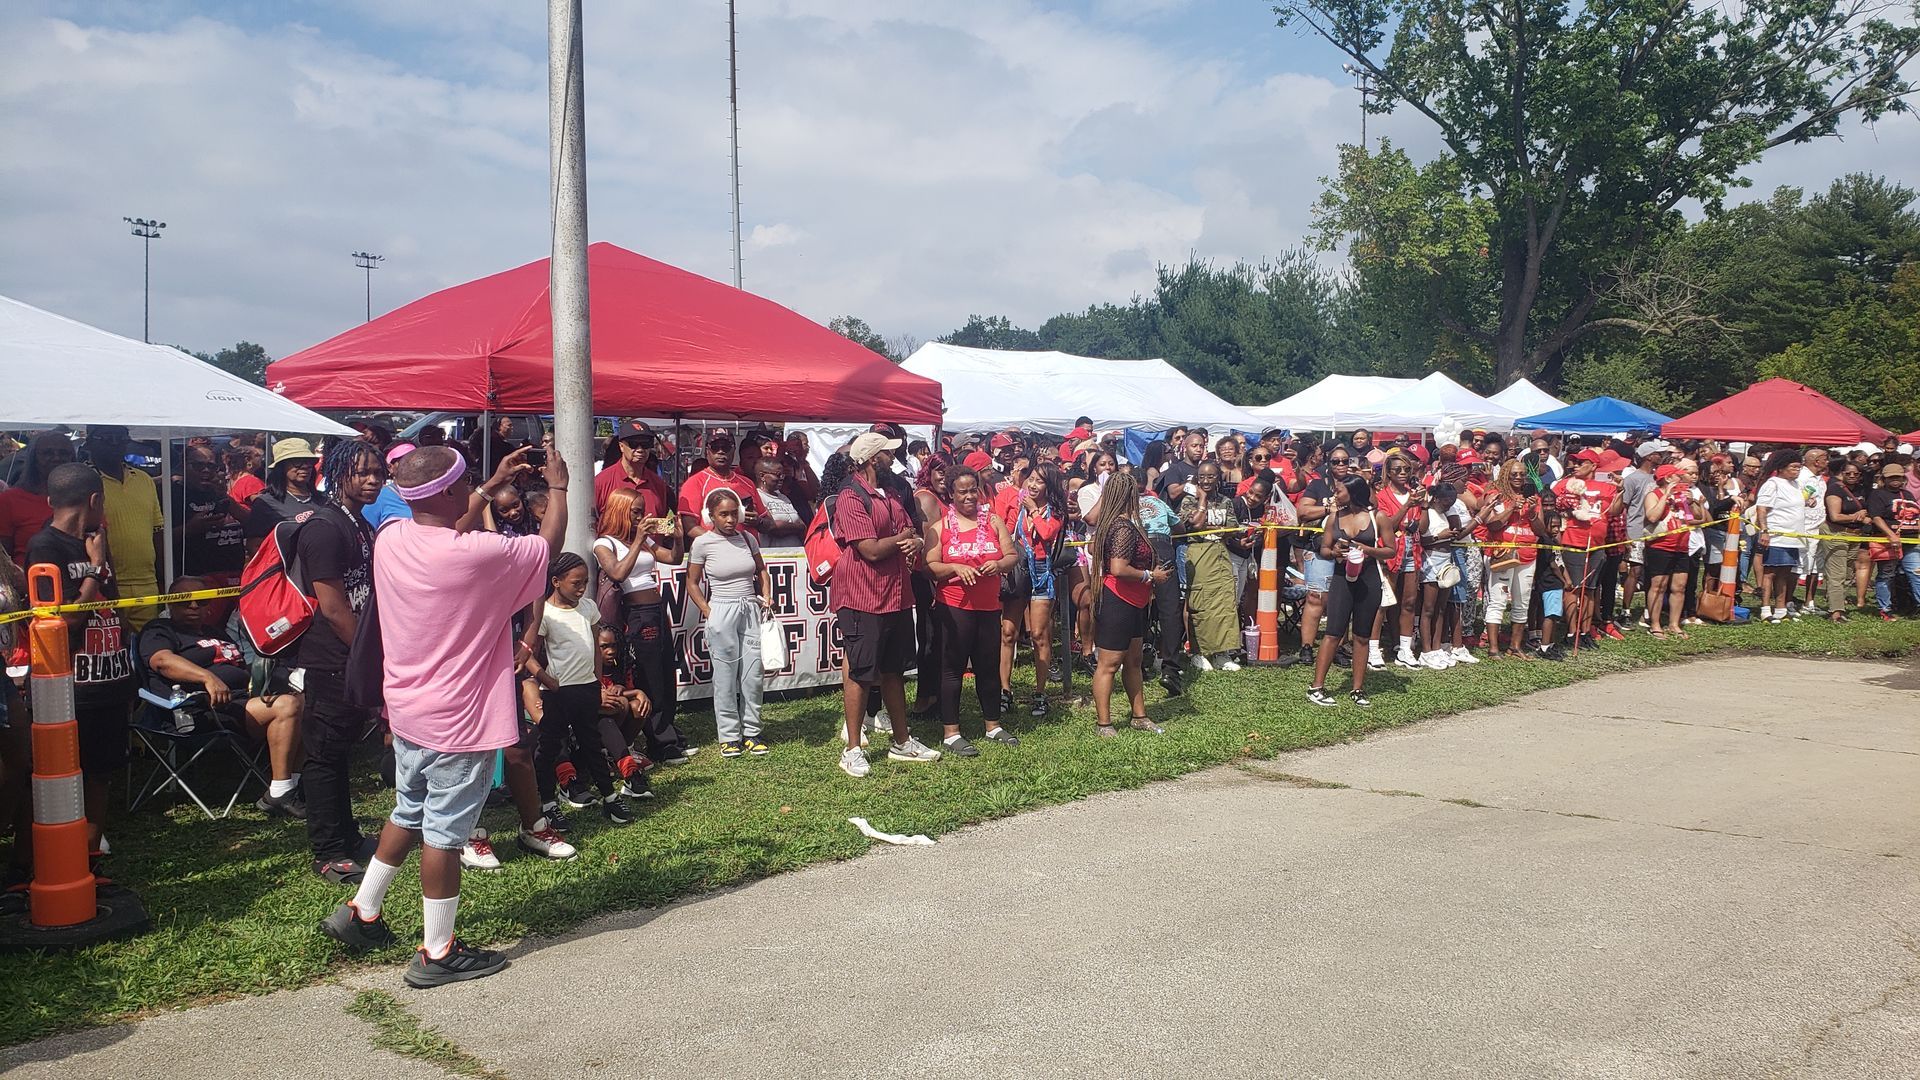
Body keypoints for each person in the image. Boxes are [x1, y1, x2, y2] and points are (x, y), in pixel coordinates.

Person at [320, 443, 567, 988]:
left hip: (408, 708)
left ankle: (362, 911)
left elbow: (439, 517)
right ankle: (437, 951)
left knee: (409, 809)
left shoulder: (391, 538)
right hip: (462, 717)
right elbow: (548, 545)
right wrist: (560, 486)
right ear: (453, 491)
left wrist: (483, 487)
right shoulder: (480, 553)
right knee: (445, 834)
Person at [26, 464, 135, 853]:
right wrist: (93, 567)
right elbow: (66, 617)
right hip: (71, 686)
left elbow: (117, 604)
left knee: (101, 775)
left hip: (110, 677)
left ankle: (91, 859)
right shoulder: (46, 547)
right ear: (95, 500)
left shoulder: (96, 539)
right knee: (69, 773)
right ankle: (68, 855)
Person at [138, 578, 305, 817]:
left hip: (240, 702)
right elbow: (162, 661)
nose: (194, 606)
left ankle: (294, 784)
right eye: (185, 601)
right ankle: (279, 793)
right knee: (287, 706)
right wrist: (207, 677)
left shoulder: (215, 632)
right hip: (198, 709)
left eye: (201, 601)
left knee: (310, 703)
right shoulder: (159, 630)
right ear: (170, 604)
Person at [297, 438, 384, 883]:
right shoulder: (325, 527)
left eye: (378, 472)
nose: (372, 480)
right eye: (362, 472)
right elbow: (332, 607)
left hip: (350, 655)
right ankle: (328, 850)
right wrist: (366, 656)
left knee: (342, 751)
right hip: (331, 657)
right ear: (336, 472)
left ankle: (347, 836)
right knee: (324, 754)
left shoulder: (357, 522)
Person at [832, 432, 942, 776]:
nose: (892, 457)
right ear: (869, 459)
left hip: (895, 594)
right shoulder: (850, 497)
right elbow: (870, 549)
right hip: (862, 595)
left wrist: (915, 540)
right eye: (885, 453)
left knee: (894, 670)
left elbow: (910, 529)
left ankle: (901, 740)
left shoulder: (892, 492)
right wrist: (903, 540)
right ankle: (852, 748)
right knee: (862, 673)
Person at [522, 552, 632, 824]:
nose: (582, 588)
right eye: (576, 583)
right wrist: (546, 680)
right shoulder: (545, 613)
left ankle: (609, 798)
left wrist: (596, 677)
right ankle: (548, 804)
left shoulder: (587, 607)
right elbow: (527, 652)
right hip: (559, 693)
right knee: (548, 749)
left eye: (585, 582)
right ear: (556, 581)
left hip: (587, 689)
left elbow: (594, 644)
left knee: (592, 744)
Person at [922, 465, 1020, 756]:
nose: (969, 497)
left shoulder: (993, 521)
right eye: (961, 492)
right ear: (951, 494)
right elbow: (929, 567)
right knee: (952, 668)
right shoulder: (941, 528)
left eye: (972, 490)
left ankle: (993, 725)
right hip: (954, 606)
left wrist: (999, 565)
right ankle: (951, 732)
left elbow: (1012, 555)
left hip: (988, 605)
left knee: (987, 665)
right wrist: (954, 566)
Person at [591, 488, 693, 767]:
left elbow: (672, 559)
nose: (641, 516)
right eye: (635, 511)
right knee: (649, 674)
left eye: (642, 510)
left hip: (657, 608)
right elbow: (618, 572)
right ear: (620, 511)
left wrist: (678, 539)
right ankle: (661, 742)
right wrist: (637, 540)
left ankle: (669, 734)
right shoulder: (605, 543)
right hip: (636, 612)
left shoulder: (643, 538)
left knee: (665, 669)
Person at [686, 489, 773, 758]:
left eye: (734, 513)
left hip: (749, 608)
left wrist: (766, 595)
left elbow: (761, 570)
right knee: (725, 676)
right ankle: (729, 736)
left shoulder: (747, 538)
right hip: (721, 610)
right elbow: (692, 582)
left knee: (752, 675)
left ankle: (752, 731)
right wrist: (708, 611)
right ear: (710, 515)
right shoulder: (702, 543)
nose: (730, 519)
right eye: (723, 514)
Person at [1086, 472, 1169, 734]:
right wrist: (1150, 575)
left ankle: (1139, 716)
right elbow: (1118, 568)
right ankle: (1104, 723)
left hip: (1133, 600)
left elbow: (1091, 549)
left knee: (1134, 660)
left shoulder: (1112, 523)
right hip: (1117, 600)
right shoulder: (1121, 527)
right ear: (1129, 495)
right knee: (1109, 664)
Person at [1307, 475, 1392, 707]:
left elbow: (1391, 550)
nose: (1335, 495)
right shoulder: (1334, 517)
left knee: (1362, 635)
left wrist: (1367, 549)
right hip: (1341, 578)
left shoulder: (1378, 517)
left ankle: (1357, 688)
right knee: (1333, 632)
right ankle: (1316, 687)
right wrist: (1334, 552)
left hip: (1369, 579)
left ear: (1353, 493)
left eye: (1339, 491)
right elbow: (1324, 549)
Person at [999, 463, 1066, 719]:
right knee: (1008, 632)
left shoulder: (1054, 511)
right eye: (1031, 480)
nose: (1033, 485)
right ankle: (1005, 690)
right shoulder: (1018, 507)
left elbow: (1048, 534)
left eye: (1040, 481)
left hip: (1041, 571)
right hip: (1019, 568)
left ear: (1049, 486)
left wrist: (1034, 512)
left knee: (1039, 634)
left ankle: (1040, 692)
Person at [85, 425, 164, 630]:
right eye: (106, 437)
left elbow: (157, 531)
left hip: (147, 583)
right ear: (90, 441)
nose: (114, 443)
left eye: (120, 437)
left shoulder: (144, 480)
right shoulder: (83, 480)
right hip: (103, 585)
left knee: (149, 650)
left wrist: (163, 580)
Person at [1551, 449, 1619, 648]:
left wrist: (1620, 491)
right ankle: (1572, 632)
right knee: (1573, 588)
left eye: (1582, 462)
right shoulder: (1564, 484)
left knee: (1590, 589)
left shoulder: (1605, 487)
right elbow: (1549, 503)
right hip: (1573, 541)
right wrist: (1562, 505)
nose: (1576, 465)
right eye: (1575, 462)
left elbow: (1614, 511)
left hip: (1597, 543)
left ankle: (1585, 630)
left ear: (1593, 465)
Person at [1481, 460, 1544, 660]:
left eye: (1522, 474)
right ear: (1505, 474)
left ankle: (1515, 647)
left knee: (1522, 601)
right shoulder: (1496, 496)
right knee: (1498, 600)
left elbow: (1541, 531)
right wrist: (1511, 509)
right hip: (1503, 554)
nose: (1518, 478)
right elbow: (1491, 524)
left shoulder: (1534, 498)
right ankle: (1493, 648)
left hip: (1527, 555)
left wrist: (1533, 513)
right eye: (1514, 474)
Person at [1373, 451, 1429, 670]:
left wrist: (1423, 505)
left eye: (1407, 469)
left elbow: (1422, 528)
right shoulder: (1383, 496)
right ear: (1389, 472)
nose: (1403, 473)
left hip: (1412, 550)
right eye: (1398, 470)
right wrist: (1407, 506)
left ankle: (1405, 649)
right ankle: (1373, 648)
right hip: (1391, 551)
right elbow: (1387, 525)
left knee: (1409, 602)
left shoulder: (1414, 494)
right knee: (1385, 601)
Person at [173, 442, 247, 582]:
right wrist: (190, 529)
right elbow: (159, 540)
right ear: (183, 466)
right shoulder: (173, 495)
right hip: (194, 580)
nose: (206, 470)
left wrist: (224, 496)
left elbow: (249, 521)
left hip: (231, 576)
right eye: (198, 466)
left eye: (211, 466)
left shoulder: (218, 492)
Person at [0, 431, 77, 561]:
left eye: (63, 453)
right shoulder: (10, 500)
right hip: (29, 578)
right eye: (47, 453)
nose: (56, 458)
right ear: (33, 458)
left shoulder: (83, 498)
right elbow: (4, 557)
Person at [1642, 464, 1697, 638]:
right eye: (1677, 476)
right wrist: (1666, 495)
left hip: (1681, 545)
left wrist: (1691, 502)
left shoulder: (1683, 496)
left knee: (1679, 586)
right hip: (1660, 546)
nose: (1681, 479)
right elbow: (1652, 516)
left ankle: (1674, 623)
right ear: (1667, 478)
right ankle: (1655, 623)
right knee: (1658, 585)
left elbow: (1698, 518)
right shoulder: (1653, 494)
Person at [679, 432, 767, 539]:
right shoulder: (695, 482)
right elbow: (690, 527)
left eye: (726, 447)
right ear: (707, 451)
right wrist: (721, 544)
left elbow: (768, 523)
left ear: (733, 450)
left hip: (747, 550)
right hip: (713, 551)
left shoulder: (747, 483)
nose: (720, 452)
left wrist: (758, 521)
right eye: (715, 447)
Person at [1753, 450, 1808, 623]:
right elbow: (1762, 508)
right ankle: (1765, 609)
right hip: (1776, 535)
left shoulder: (1797, 485)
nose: (1797, 470)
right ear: (1782, 468)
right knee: (1770, 573)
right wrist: (1765, 531)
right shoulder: (1773, 483)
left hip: (1794, 536)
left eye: (1799, 467)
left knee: (1785, 572)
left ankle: (1781, 608)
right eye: (1793, 467)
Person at [244, 438, 323, 557]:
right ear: (282, 466)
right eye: (298, 461)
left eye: (309, 461)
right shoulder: (266, 504)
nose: (305, 466)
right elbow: (254, 547)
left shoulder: (324, 501)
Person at [1867, 460, 1919, 619]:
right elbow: (1876, 517)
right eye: (1891, 477)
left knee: (1916, 572)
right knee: (1886, 575)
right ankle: (1885, 608)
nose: (1895, 480)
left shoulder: (1907, 494)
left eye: (1898, 477)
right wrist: (1890, 534)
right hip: (1888, 541)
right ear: (1884, 479)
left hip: (1911, 539)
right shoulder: (1877, 495)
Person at [593, 420, 673, 520]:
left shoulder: (658, 484)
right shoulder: (601, 482)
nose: (640, 449)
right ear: (621, 446)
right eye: (633, 443)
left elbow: (665, 521)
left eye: (646, 444)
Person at [1822, 461, 1871, 620]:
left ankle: (1835, 600)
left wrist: (1864, 513)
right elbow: (1835, 516)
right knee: (1837, 573)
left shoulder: (1861, 489)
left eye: (1855, 473)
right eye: (1848, 473)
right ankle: (1836, 612)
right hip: (1836, 533)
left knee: (1849, 572)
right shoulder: (1835, 489)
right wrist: (1857, 516)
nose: (1851, 476)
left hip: (1854, 534)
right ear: (1842, 473)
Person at [754, 457, 806, 544]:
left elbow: (803, 526)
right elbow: (773, 528)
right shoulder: (758, 496)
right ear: (762, 476)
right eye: (778, 475)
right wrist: (797, 528)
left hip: (797, 553)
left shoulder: (784, 498)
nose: (782, 478)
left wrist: (794, 527)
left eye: (783, 475)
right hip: (774, 554)